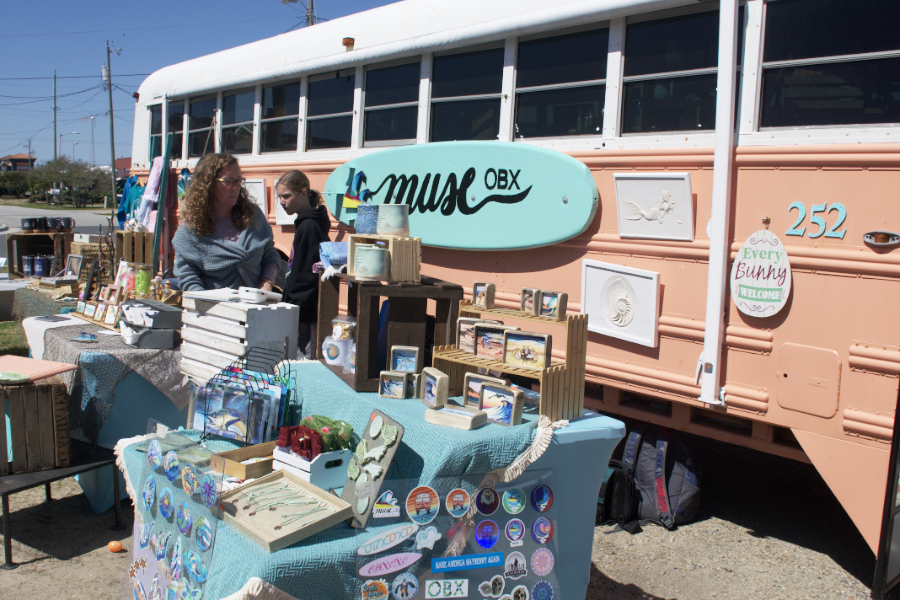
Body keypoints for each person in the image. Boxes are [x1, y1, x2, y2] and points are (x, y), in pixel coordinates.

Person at [173, 154, 279, 292]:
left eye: (238, 180)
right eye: (228, 181)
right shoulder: (190, 231)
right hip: (213, 309)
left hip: (256, 307)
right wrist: (210, 304)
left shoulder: (253, 216)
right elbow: (188, 278)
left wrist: (267, 282)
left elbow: (270, 255)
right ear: (208, 184)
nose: (235, 187)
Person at [276, 170, 330, 357]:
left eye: (286, 196)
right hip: (301, 312)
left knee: (302, 361)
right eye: (279, 197)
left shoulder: (309, 227)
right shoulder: (306, 224)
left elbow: (307, 275)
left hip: (304, 314)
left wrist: (292, 308)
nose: (282, 201)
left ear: (303, 193)